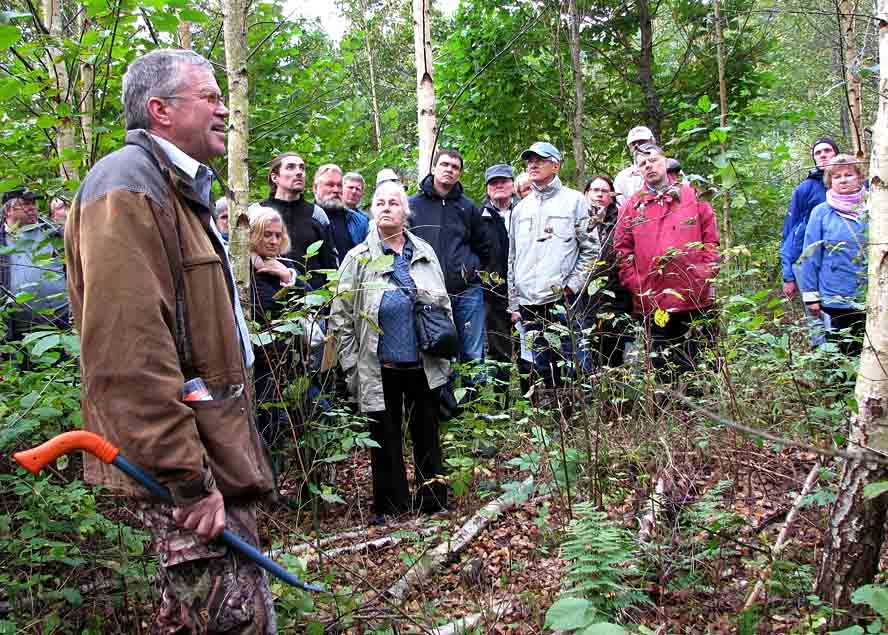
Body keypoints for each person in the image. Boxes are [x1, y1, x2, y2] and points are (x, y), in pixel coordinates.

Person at [64, 49, 276, 633]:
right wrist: (188, 480)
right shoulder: (126, 187)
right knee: (229, 621)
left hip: (208, 450)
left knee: (196, 617)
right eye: (208, 97)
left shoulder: (175, 187)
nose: (223, 108)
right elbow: (128, 353)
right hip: (186, 467)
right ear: (160, 110)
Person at [330, 180, 450, 520]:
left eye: (393, 202)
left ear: (405, 211)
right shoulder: (358, 259)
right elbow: (341, 318)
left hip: (423, 362)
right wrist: (352, 365)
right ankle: (392, 507)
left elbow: (443, 305)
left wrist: (446, 352)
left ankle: (433, 502)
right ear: (371, 210)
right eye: (380, 202)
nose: (386, 207)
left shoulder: (424, 252)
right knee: (384, 439)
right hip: (378, 365)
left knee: (427, 435)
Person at [614, 143, 720, 382]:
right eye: (642, 164)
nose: (648, 166)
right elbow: (622, 249)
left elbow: (711, 242)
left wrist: (702, 276)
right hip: (653, 301)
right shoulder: (633, 205)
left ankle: (699, 416)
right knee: (662, 366)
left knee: (698, 364)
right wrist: (637, 283)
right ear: (637, 170)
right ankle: (668, 413)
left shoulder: (693, 196)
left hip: (694, 298)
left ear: (665, 162)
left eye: (653, 160)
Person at [508, 142, 598, 388]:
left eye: (540, 159)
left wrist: (571, 286)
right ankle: (550, 418)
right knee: (540, 367)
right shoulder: (520, 209)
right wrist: (513, 300)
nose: (532, 164)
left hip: (561, 301)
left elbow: (591, 249)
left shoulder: (575, 201)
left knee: (571, 365)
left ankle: (574, 421)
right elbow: (512, 258)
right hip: (528, 303)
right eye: (529, 161)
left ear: (556, 165)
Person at [409, 149, 491, 388]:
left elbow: (483, 246)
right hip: (428, 293)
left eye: (455, 167)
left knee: (472, 352)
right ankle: (442, 406)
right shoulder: (413, 205)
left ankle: (474, 407)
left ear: (460, 173)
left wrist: (471, 269)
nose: (449, 170)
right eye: (444, 164)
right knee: (435, 350)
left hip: (466, 291)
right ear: (433, 167)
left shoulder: (467, 207)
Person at [800, 154, 868, 355]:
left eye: (849, 174)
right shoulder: (821, 212)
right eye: (837, 177)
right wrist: (811, 296)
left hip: (873, 294)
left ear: (860, 177)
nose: (844, 179)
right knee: (845, 352)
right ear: (830, 182)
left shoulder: (875, 206)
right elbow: (810, 254)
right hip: (836, 297)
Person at [253, 152, 337, 292]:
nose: (299, 172)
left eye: (302, 168)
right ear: (275, 177)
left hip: (312, 303)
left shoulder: (317, 214)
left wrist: (328, 303)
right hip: (267, 300)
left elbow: (331, 264)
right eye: (290, 167)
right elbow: (239, 253)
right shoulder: (256, 212)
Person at [0, 189, 68, 343]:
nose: (32, 208)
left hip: (62, 320)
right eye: (25, 204)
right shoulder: (2, 240)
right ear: (8, 210)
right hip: (20, 328)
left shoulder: (52, 232)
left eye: (33, 203)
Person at [781, 137, 840, 299]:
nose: (823, 155)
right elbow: (791, 232)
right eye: (818, 152)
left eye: (827, 150)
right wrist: (788, 275)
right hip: (810, 261)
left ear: (836, 154)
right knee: (817, 317)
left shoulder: (856, 184)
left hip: (847, 261)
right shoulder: (805, 189)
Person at [583, 175, 633, 367]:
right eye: (595, 190)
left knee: (614, 349)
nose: (599, 195)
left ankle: (616, 391)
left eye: (605, 191)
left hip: (616, 294)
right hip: (584, 295)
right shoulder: (578, 219)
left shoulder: (622, 220)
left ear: (612, 195)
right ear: (586, 193)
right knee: (586, 347)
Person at [479, 164, 519, 391]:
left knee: (529, 349)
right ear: (487, 189)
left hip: (524, 292)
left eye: (504, 181)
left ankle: (533, 402)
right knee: (498, 350)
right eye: (494, 182)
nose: (499, 186)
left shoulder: (525, 211)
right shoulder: (478, 217)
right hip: (492, 294)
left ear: (513, 184)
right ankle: (501, 403)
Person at [313, 164, 369, 263]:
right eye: (330, 185)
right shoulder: (305, 217)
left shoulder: (359, 221)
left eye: (339, 185)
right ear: (315, 188)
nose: (336, 190)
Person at [613, 125, 656, 205]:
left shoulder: (668, 168)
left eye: (642, 141)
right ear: (630, 148)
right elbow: (620, 208)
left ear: (652, 142)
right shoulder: (622, 178)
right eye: (633, 144)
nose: (637, 146)